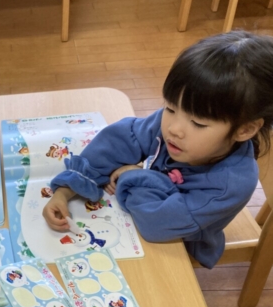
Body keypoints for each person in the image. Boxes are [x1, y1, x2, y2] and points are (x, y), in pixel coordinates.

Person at [43, 31, 273, 268]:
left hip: (182, 242)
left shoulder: (229, 185)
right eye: (170, 108)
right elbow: (121, 140)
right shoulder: (178, 125)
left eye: (198, 123)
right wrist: (67, 189)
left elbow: (156, 224)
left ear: (245, 130)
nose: (174, 128)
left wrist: (135, 175)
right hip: (143, 210)